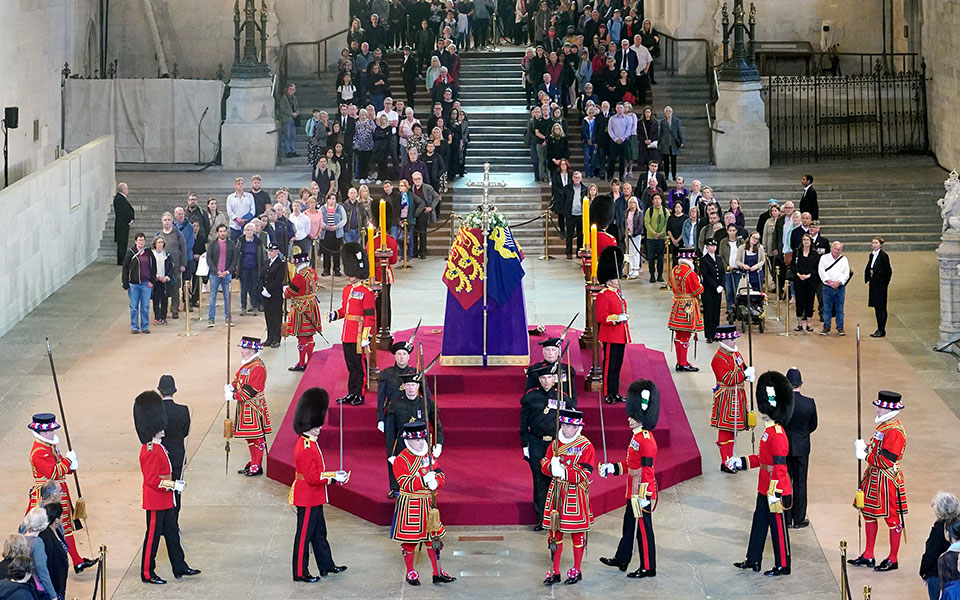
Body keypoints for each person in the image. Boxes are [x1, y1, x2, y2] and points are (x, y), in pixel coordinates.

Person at [727, 371, 794, 577]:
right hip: (765, 486)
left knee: (777, 528)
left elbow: (780, 467)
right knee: (759, 523)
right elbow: (762, 459)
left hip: (775, 488)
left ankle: (783, 564)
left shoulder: (778, 434)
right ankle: (753, 559)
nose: (763, 412)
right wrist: (741, 462)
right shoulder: (769, 431)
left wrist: (775, 490)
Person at [133, 391, 199, 584]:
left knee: (172, 535)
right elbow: (152, 480)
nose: (164, 429)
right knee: (152, 539)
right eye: (160, 428)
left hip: (165, 500)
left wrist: (173, 486)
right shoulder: (150, 450)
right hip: (156, 502)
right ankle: (147, 572)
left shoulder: (159, 446)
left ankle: (179, 566)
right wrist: (173, 485)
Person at [598, 379, 660, 577]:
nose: (629, 419)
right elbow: (631, 465)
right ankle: (622, 558)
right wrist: (612, 468)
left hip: (641, 490)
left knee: (643, 529)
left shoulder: (646, 440)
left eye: (634, 416)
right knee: (629, 524)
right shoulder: (637, 436)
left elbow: (647, 470)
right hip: (633, 487)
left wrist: (644, 495)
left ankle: (648, 567)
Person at [24, 414, 98, 576]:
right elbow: (53, 472)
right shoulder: (39, 451)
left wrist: (70, 466)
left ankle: (77, 561)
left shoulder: (50, 446)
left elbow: (60, 466)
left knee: (66, 526)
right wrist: (68, 462)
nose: (53, 432)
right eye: (51, 430)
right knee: (42, 529)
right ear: (43, 432)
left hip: (58, 491)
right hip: (47, 495)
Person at [290, 388, 349, 583]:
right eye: (317, 424)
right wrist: (334, 478)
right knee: (304, 537)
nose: (320, 427)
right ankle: (300, 572)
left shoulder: (310, 441)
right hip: (307, 497)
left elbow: (316, 473)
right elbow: (313, 477)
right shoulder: (306, 446)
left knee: (319, 534)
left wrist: (334, 474)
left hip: (314, 496)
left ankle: (326, 565)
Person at [390, 421, 456, 586]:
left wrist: (437, 481)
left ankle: (437, 572)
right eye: (417, 440)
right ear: (409, 440)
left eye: (422, 439)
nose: (421, 443)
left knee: (433, 540)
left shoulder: (429, 457)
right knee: (410, 541)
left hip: (428, 505)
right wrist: (424, 480)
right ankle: (410, 571)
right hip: (410, 505)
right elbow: (405, 483)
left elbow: (440, 473)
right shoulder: (401, 460)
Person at [849, 390, 908, 572]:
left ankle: (893, 558)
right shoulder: (883, 426)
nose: (877, 410)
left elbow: (886, 460)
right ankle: (868, 554)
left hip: (887, 479)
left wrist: (865, 455)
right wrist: (865, 447)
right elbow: (877, 449)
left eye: (880, 407)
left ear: (888, 409)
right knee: (868, 513)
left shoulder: (894, 431)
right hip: (873, 476)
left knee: (891, 518)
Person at [541, 408, 595, 585]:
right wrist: (551, 466)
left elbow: (585, 472)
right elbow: (544, 461)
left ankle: (576, 569)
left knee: (577, 534)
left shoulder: (586, 446)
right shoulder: (555, 444)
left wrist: (563, 472)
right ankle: (555, 570)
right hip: (556, 492)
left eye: (569, 426)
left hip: (574, 494)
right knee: (554, 533)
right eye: (563, 425)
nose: (565, 429)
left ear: (577, 428)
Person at [520, 363, 570, 531]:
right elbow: (523, 423)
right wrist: (524, 445)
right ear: (539, 380)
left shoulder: (562, 397)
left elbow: (571, 422)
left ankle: (560, 518)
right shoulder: (531, 397)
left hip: (557, 444)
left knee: (559, 481)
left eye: (549, 377)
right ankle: (542, 518)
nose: (547, 381)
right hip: (537, 443)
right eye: (543, 378)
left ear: (554, 379)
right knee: (540, 481)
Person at [329, 243, 377, 406]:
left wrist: (366, 336)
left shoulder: (367, 292)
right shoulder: (347, 290)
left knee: (359, 367)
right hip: (347, 334)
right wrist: (335, 315)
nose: (350, 275)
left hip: (358, 335)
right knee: (351, 366)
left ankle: (360, 394)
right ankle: (351, 393)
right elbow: (345, 310)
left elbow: (370, 316)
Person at [711, 324, 755, 472]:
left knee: (733, 431)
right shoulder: (718, 359)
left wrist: (748, 373)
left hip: (737, 396)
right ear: (724, 341)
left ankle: (731, 458)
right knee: (725, 430)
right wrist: (744, 374)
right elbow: (728, 379)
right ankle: (725, 461)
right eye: (732, 339)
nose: (734, 342)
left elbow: (742, 367)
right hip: (726, 398)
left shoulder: (735, 354)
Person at [228, 337, 272, 477]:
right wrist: (232, 386)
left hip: (253, 407)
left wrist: (234, 395)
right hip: (245, 406)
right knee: (250, 437)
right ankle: (254, 461)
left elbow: (250, 390)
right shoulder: (248, 364)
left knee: (257, 437)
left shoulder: (257, 367)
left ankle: (257, 465)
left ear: (252, 351)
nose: (242, 351)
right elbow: (239, 378)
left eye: (244, 349)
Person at [780, 367, 817, 530]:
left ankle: (787, 518)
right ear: (800, 385)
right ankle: (799, 518)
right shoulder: (809, 403)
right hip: (802, 447)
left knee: (786, 481)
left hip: (784, 447)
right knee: (801, 483)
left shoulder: (782, 404)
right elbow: (813, 425)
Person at [595, 246, 630, 404]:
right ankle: (607, 393)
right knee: (609, 366)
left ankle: (615, 392)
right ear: (608, 279)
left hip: (620, 335)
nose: (618, 280)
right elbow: (601, 317)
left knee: (617, 366)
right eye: (615, 278)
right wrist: (617, 318)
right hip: (610, 336)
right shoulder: (603, 295)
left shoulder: (616, 293)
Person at [283, 251, 323, 371]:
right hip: (312, 305)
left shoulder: (299, 277)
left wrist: (284, 289)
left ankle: (301, 363)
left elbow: (288, 294)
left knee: (301, 336)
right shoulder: (312, 272)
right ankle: (309, 361)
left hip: (301, 308)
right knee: (309, 336)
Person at [668, 247, 703, 372]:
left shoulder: (674, 270)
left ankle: (680, 361)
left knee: (678, 334)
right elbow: (698, 290)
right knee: (686, 335)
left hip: (677, 304)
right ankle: (683, 363)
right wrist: (699, 282)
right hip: (688, 306)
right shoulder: (690, 273)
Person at [920, 493, 960, 600]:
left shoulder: (939, 530)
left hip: (936, 573)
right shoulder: (957, 525)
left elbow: (931, 553)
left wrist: (923, 570)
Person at [122, 232, 156, 334]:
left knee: (145, 307)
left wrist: (152, 281)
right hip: (133, 285)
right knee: (134, 307)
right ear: (136, 241)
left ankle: (145, 326)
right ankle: (134, 326)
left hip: (146, 284)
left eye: (143, 240)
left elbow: (153, 267)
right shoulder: (131, 253)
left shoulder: (149, 253)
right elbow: (125, 268)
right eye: (139, 240)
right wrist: (125, 283)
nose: (141, 242)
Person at [206, 224, 238, 327]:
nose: (223, 233)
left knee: (227, 297)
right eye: (220, 231)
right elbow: (209, 259)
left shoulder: (231, 244)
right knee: (212, 296)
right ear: (217, 233)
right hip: (214, 274)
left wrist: (228, 271)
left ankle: (228, 318)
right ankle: (211, 319)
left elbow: (234, 259)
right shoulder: (212, 244)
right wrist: (216, 271)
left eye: (224, 231)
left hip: (227, 274)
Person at [525, 337, 577, 402]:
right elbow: (529, 391)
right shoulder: (535, 369)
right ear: (543, 352)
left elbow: (572, 391)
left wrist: (573, 404)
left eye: (553, 350)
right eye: (547, 350)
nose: (550, 353)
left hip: (561, 402)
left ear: (558, 352)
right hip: (540, 403)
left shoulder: (566, 369)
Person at [21, 508, 56, 600]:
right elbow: (42, 570)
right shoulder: (37, 542)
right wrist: (53, 595)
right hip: (37, 588)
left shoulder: (21, 538)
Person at [818, 240, 850, 336]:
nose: (837, 251)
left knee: (840, 309)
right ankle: (826, 327)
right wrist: (830, 282)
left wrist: (839, 282)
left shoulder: (844, 259)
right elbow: (821, 271)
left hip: (840, 288)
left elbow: (846, 273)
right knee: (827, 308)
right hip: (827, 287)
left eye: (839, 249)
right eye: (835, 249)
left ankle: (840, 327)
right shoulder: (824, 258)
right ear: (831, 248)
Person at [38, 502, 68, 600]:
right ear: (56, 520)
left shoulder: (57, 531)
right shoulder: (46, 537)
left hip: (60, 578)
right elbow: (49, 563)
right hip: (54, 581)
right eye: (61, 515)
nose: (63, 518)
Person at [236, 223, 265, 317]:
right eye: (247, 230)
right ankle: (243, 307)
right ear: (244, 231)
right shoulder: (240, 241)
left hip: (254, 268)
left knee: (254, 288)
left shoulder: (258, 242)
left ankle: (255, 306)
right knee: (243, 288)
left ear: (254, 231)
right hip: (243, 268)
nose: (249, 232)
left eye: (251, 230)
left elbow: (262, 255)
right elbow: (237, 253)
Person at [865, 237, 892, 338]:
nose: (874, 245)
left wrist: (884, 284)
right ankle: (879, 328)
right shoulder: (872, 255)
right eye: (873, 243)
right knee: (876, 307)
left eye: (876, 243)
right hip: (874, 284)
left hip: (880, 285)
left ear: (880, 245)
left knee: (881, 307)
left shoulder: (883, 256)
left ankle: (881, 329)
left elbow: (888, 271)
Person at [260, 243, 285, 347]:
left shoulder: (281, 264)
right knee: (268, 316)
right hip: (266, 294)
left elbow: (278, 280)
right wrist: (263, 288)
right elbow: (262, 276)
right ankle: (269, 338)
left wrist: (269, 290)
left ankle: (276, 338)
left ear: (277, 252)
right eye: (269, 251)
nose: (270, 253)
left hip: (275, 295)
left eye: (272, 251)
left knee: (276, 317)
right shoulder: (266, 262)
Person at [700, 238, 724, 343]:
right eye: (711, 246)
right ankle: (709, 335)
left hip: (718, 289)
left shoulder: (719, 258)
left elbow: (722, 272)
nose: (713, 248)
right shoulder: (704, 260)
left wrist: (722, 285)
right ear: (707, 247)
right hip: (709, 290)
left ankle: (716, 333)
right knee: (708, 312)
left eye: (715, 246)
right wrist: (715, 286)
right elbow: (706, 276)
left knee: (716, 311)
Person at [792, 234, 819, 332]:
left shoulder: (815, 254)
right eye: (804, 239)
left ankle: (809, 324)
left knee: (810, 302)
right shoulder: (796, 252)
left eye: (808, 240)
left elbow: (816, 267)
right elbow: (792, 266)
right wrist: (799, 274)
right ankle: (799, 324)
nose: (806, 241)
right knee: (799, 302)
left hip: (811, 281)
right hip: (799, 280)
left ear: (811, 242)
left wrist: (809, 275)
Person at [644, 193, 668, 283]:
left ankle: (660, 275)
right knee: (651, 258)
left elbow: (667, 224)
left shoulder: (665, 211)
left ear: (661, 200)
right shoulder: (649, 211)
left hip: (661, 238)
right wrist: (654, 233)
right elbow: (647, 223)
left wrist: (661, 233)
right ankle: (652, 275)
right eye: (655, 198)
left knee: (661, 258)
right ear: (653, 201)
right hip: (651, 238)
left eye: (659, 198)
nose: (657, 200)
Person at [226, 177, 256, 242]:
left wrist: (245, 220)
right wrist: (238, 220)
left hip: (247, 226)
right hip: (234, 226)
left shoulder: (249, 196)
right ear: (235, 185)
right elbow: (229, 211)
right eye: (238, 184)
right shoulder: (230, 197)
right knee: (234, 244)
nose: (240, 185)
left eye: (242, 184)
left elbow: (253, 210)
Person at [658, 106, 682, 181]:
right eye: (667, 111)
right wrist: (659, 142)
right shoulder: (663, 122)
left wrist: (681, 141)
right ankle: (666, 175)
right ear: (665, 113)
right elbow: (661, 133)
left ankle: (674, 175)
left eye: (670, 111)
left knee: (673, 161)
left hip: (673, 143)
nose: (668, 113)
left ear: (672, 112)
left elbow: (679, 131)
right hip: (665, 143)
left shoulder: (676, 121)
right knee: (666, 161)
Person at [114, 183, 134, 265]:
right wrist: (128, 219)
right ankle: (121, 260)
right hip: (121, 225)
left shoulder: (120, 198)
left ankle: (122, 259)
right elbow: (122, 212)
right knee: (122, 242)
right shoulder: (119, 199)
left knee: (123, 242)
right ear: (123, 190)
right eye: (126, 188)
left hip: (123, 224)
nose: (127, 190)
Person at [278, 83, 300, 158]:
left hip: (294, 119)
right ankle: (288, 151)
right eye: (290, 89)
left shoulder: (294, 98)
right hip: (287, 119)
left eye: (293, 89)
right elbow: (282, 108)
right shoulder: (284, 98)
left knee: (293, 136)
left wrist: (296, 113)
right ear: (287, 89)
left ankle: (293, 150)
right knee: (287, 135)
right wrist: (291, 113)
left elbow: (297, 107)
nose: (291, 91)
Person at [624, 196, 643, 278]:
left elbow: (640, 225)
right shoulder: (626, 212)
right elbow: (624, 223)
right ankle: (629, 268)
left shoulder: (639, 213)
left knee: (635, 252)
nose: (632, 204)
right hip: (627, 236)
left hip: (636, 235)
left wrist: (635, 233)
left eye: (634, 202)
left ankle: (636, 269)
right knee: (629, 252)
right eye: (631, 202)